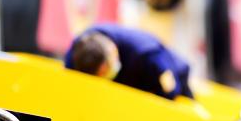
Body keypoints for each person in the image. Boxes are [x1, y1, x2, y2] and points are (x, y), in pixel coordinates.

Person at [64, 23, 193, 100]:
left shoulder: (147, 53)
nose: (109, 72)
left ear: (113, 49)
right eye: (102, 74)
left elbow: (171, 88)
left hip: (174, 77)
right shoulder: (77, 53)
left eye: (109, 66)